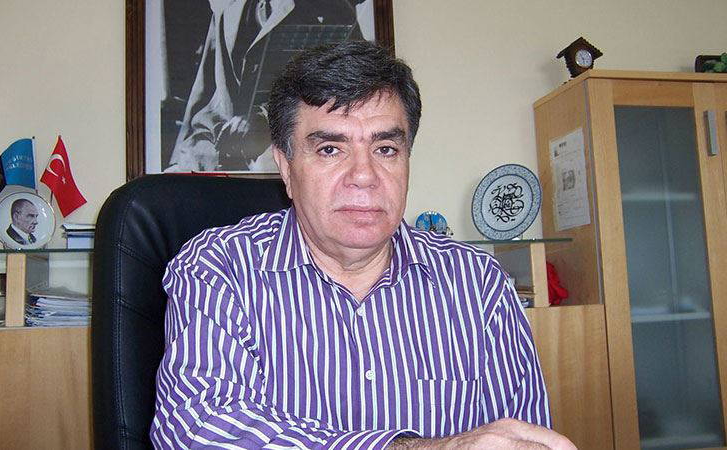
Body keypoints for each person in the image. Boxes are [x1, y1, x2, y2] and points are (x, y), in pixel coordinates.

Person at [151, 41, 576, 449]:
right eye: (330, 149)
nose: (364, 176)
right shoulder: (218, 269)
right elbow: (196, 431)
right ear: (285, 165)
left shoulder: (478, 282)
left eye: (386, 149)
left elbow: (524, 438)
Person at [165, 0, 371, 173]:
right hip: (226, 161)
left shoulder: (332, 8)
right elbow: (204, 98)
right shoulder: (227, 14)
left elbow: (355, 88)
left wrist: (264, 118)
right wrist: (185, 159)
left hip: (292, 161)